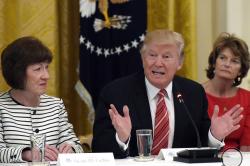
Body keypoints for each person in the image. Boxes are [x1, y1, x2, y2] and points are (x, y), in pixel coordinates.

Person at [92, 29, 243, 158]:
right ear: (143, 58)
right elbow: (99, 148)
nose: (158, 63)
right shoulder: (116, 93)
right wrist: (121, 138)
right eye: (152, 55)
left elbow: (200, 145)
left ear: (180, 62)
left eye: (166, 56)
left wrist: (214, 136)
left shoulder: (193, 93)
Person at [0, 36, 83, 163]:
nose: (46, 76)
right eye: (38, 69)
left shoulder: (56, 105)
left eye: (47, 67)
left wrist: (71, 148)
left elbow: (76, 145)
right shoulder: (2, 107)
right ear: (18, 72)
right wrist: (27, 154)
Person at [202, 32, 250, 151]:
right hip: (202, 161)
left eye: (234, 61)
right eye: (222, 58)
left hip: (238, 163)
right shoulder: (196, 93)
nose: (227, 64)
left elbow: (247, 147)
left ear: (241, 70)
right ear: (214, 62)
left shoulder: (247, 98)